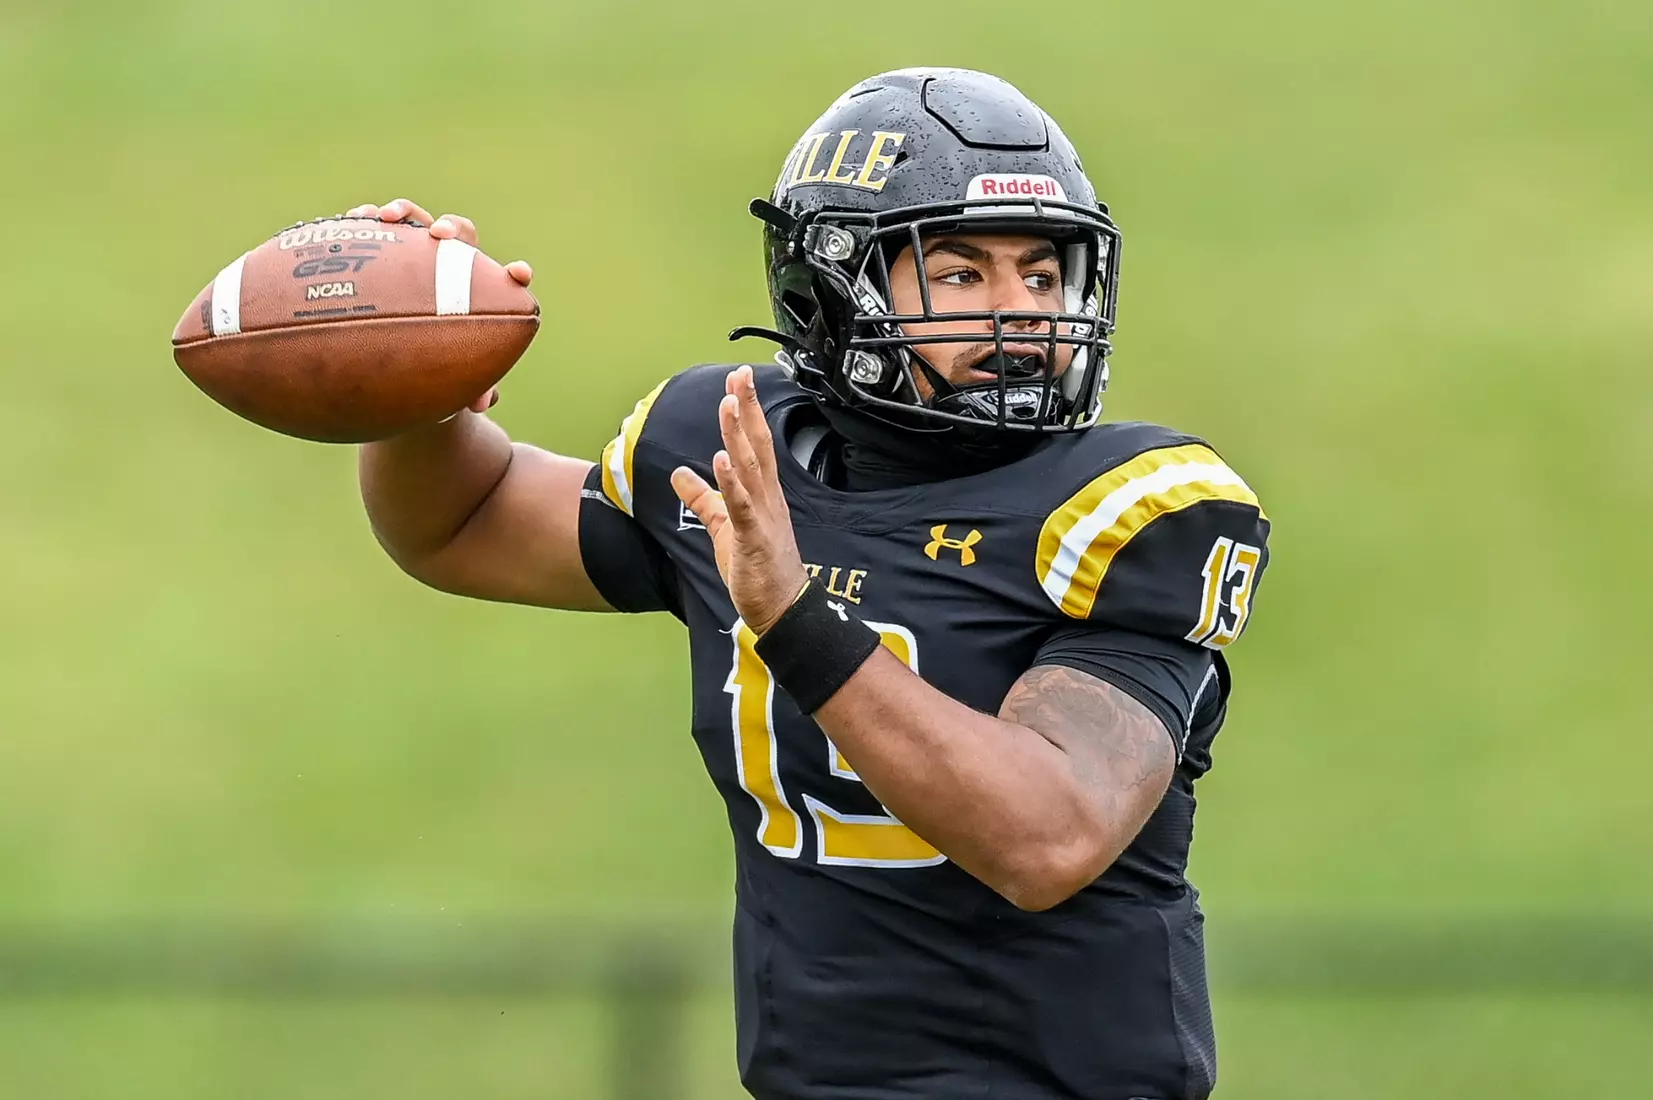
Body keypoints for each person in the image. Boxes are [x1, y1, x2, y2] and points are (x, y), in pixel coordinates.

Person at [352, 67, 1270, 1100]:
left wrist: (794, 616)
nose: (1023, 311)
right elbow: (460, 524)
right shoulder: (740, 445)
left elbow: (1048, 833)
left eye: (1044, 273)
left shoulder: (1132, 504)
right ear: (830, 287)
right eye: (961, 274)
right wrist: (411, 378)